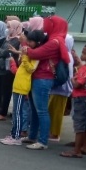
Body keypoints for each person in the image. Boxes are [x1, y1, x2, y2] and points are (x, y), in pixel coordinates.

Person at [21, 15, 70, 150]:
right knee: (36, 110)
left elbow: (36, 54)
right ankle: (32, 136)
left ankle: (42, 141)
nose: (44, 25)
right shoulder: (53, 39)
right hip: (39, 77)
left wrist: (25, 46)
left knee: (41, 110)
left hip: (43, 78)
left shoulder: (54, 41)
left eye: (48, 23)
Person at [0, 30, 41, 145]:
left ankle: (16, 137)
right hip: (18, 84)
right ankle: (13, 134)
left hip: (23, 86)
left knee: (18, 112)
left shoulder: (35, 54)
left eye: (31, 41)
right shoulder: (28, 52)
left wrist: (25, 57)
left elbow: (31, 69)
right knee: (16, 111)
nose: (28, 43)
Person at [59, 43, 86, 158]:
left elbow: (77, 84)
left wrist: (72, 78)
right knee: (85, 123)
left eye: (85, 53)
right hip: (84, 97)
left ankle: (77, 150)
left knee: (79, 124)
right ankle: (85, 146)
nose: (82, 55)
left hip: (82, 98)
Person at [47, 33, 75, 141]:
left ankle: (55, 133)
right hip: (58, 87)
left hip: (63, 87)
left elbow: (66, 74)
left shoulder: (66, 55)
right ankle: (51, 131)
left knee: (57, 112)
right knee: (52, 110)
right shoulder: (64, 54)